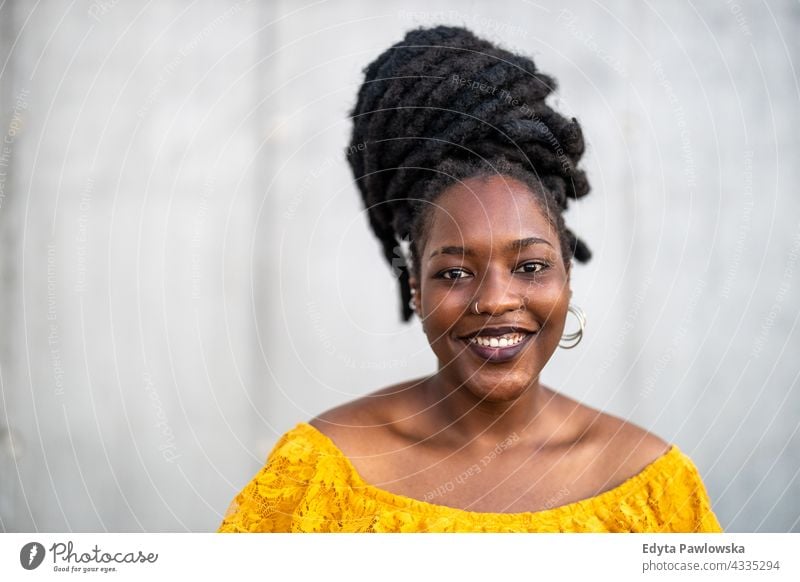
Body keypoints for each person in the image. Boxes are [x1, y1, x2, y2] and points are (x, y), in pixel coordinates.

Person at [218, 25, 722, 533]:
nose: (496, 299)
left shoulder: (651, 486)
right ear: (416, 287)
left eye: (530, 266)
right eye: (455, 272)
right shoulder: (321, 475)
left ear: (567, 276)